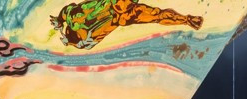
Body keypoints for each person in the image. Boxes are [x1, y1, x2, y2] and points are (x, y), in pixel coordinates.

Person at [50, 0, 202, 49]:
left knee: (156, 15)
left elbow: (65, 12)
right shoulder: (89, 37)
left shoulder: (74, 17)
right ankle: (187, 20)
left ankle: (187, 20)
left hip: (117, 9)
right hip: (122, 16)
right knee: (156, 15)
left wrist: (59, 21)